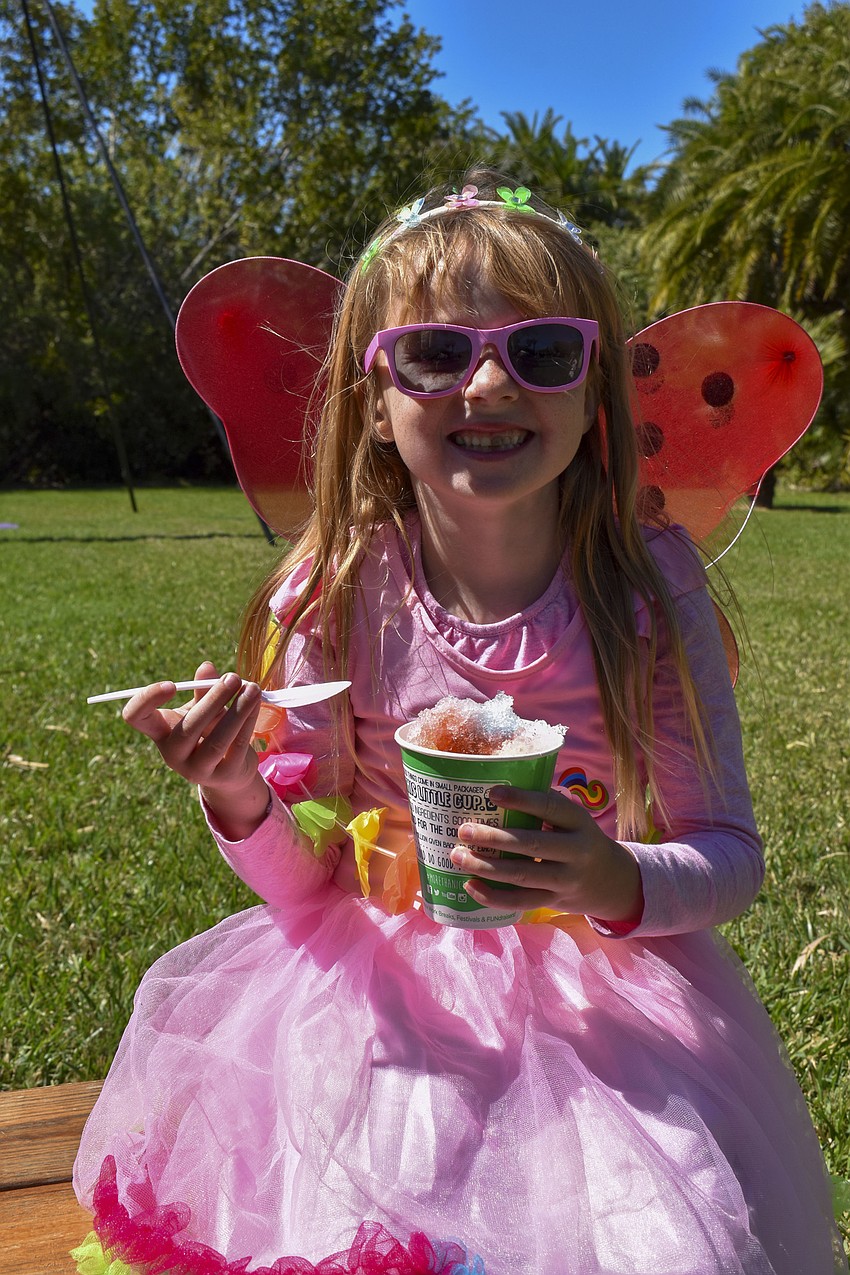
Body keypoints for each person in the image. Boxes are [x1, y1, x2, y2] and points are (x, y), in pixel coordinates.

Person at [72, 169, 846, 1275]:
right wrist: (238, 791)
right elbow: (306, 888)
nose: (487, 384)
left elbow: (727, 858)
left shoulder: (641, 590)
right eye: (436, 354)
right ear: (372, 403)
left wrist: (605, 878)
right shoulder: (338, 588)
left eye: (540, 354)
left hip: (604, 1007)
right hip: (380, 1002)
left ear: (594, 399)